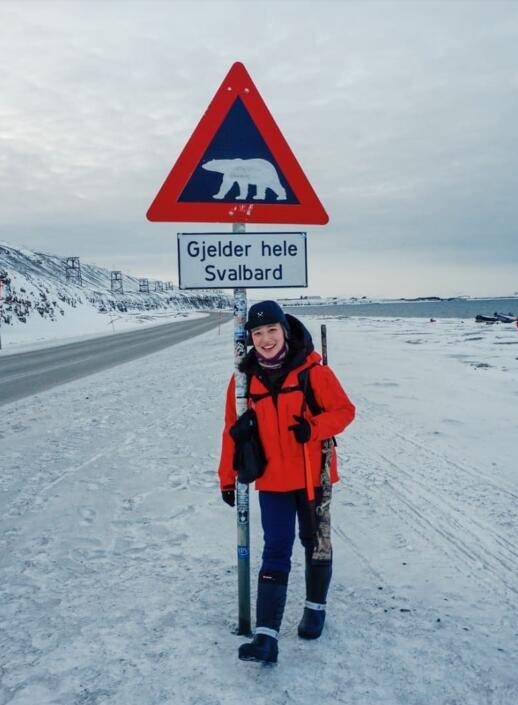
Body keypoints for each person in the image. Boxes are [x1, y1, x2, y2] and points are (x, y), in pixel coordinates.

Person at [217, 300, 355, 663]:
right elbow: (232, 432)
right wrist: (227, 478)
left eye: (271, 331)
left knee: (315, 544)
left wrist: (314, 428)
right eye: (258, 333)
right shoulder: (243, 380)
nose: (265, 340)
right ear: (250, 338)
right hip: (273, 481)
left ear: (285, 330)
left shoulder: (313, 371)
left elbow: (344, 411)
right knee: (275, 550)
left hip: (313, 478)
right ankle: (266, 637)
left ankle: (314, 608)